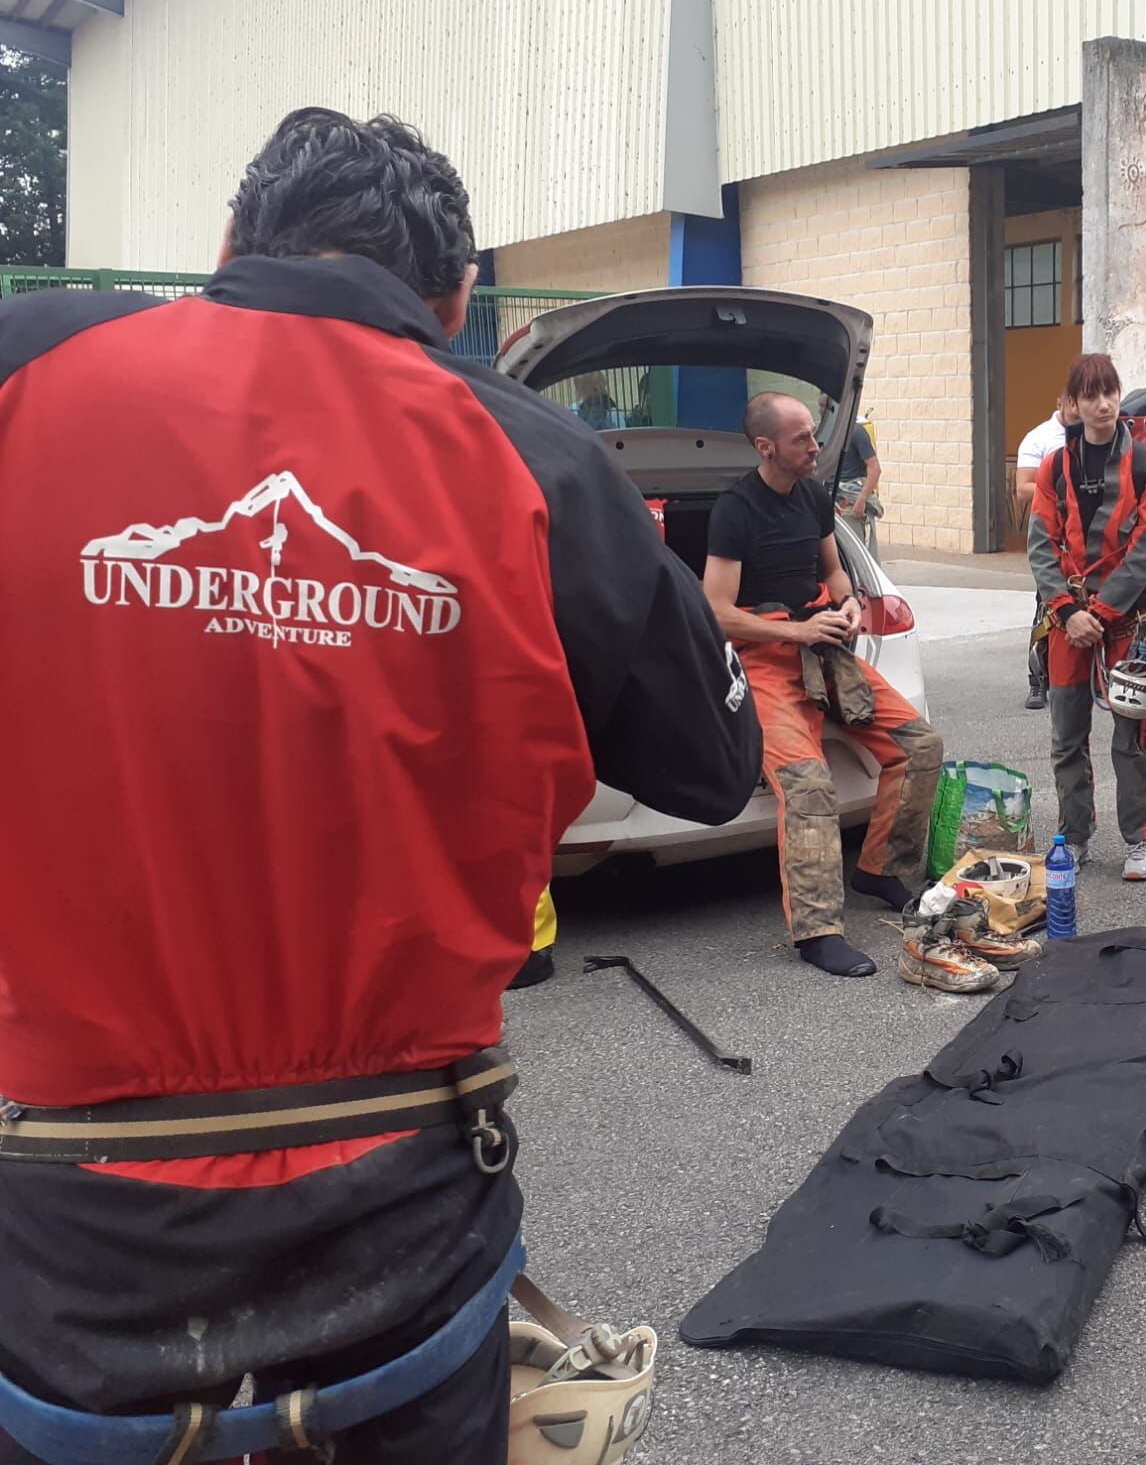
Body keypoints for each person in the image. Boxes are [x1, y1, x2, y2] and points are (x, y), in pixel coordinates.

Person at [0, 108, 762, 1464]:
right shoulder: (540, 461)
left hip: (60, 1222)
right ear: (459, 297)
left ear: (229, 246)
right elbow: (714, 768)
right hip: (402, 1218)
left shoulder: (30, 372)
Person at [703, 391, 943, 979]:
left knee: (921, 748)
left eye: (814, 434)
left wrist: (849, 604)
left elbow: (834, 570)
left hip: (827, 649)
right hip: (766, 660)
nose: (815, 446)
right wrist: (798, 630)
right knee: (808, 785)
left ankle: (881, 868)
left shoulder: (812, 497)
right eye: (801, 439)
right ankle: (817, 932)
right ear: (767, 447)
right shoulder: (734, 510)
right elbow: (716, 612)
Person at [1026, 354, 1146, 881]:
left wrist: (1102, 611)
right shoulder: (1052, 466)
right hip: (1067, 619)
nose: (1103, 403)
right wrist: (1068, 612)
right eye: (1091, 395)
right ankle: (1075, 836)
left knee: (1132, 735)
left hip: (1126, 621)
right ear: (1073, 404)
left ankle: (1138, 840)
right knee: (1067, 736)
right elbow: (1041, 543)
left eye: (1109, 392)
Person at [1016, 396, 1077, 709]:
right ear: (1061, 402)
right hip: (1050, 534)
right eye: (1075, 403)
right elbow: (1022, 487)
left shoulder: (1095, 437)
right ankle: (1036, 681)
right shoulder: (1039, 438)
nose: (1080, 410)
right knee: (1046, 604)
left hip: (1083, 536)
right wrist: (1059, 488)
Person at [833, 412, 883, 551]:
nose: (821, 410)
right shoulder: (825, 433)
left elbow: (875, 469)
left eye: (825, 406)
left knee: (852, 552)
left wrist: (861, 500)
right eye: (820, 406)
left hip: (849, 503)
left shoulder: (855, 432)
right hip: (830, 499)